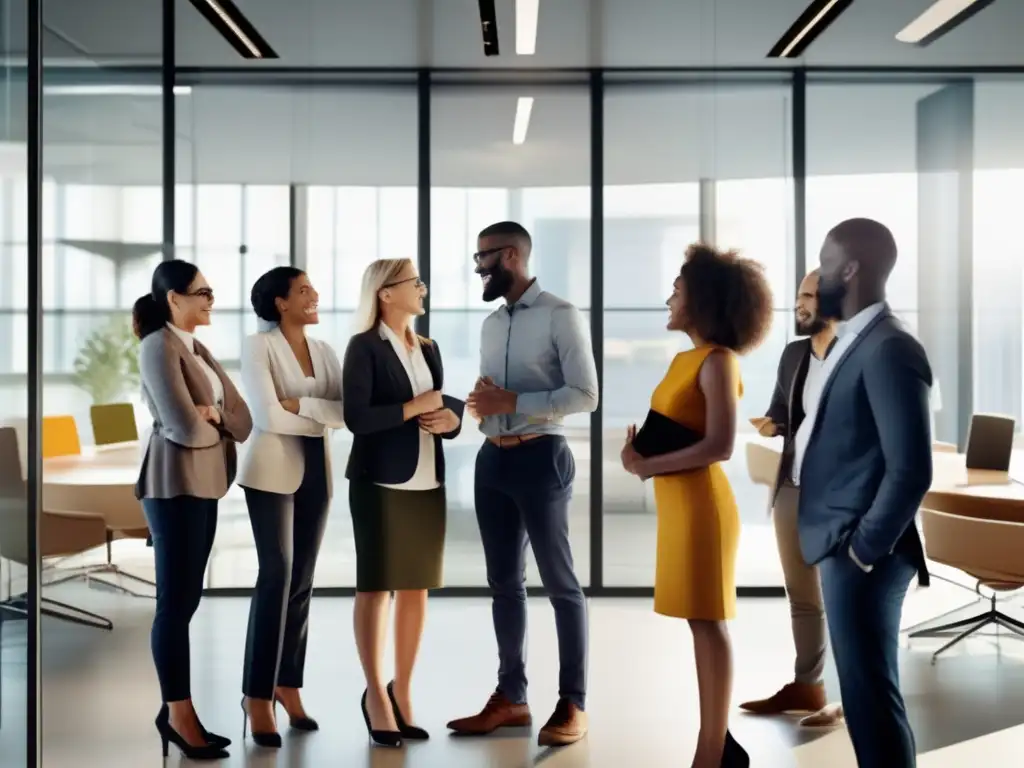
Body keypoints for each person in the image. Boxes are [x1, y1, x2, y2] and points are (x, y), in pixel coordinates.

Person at [620, 243, 773, 768]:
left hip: (703, 508)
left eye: (677, 291)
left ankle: (713, 750)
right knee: (699, 622)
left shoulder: (718, 361)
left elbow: (720, 446)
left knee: (709, 621)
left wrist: (646, 466)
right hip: (680, 506)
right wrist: (637, 454)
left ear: (701, 301)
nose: (669, 299)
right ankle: (719, 746)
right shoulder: (686, 359)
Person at [447, 221, 598, 748]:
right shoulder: (491, 324)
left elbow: (584, 394)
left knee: (561, 585)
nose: (477, 268)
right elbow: (495, 395)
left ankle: (573, 702)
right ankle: (511, 697)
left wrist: (512, 403)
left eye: (482, 257)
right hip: (494, 462)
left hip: (543, 459)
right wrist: (485, 402)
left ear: (510, 256)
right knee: (504, 584)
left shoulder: (561, 314)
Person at [799, 218, 932, 768]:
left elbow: (911, 470)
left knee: (872, 701)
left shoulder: (889, 348)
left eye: (826, 262)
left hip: (864, 555)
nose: (820, 272)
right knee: (861, 698)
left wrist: (861, 551)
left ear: (849, 269)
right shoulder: (858, 341)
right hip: (844, 545)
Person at [132, 259, 252, 762]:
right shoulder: (157, 345)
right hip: (173, 486)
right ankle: (179, 715)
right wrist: (210, 423)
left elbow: (243, 421)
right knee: (175, 606)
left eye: (211, 291)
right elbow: (183, 428)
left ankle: (177, 711)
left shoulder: (197, 350)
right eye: (200, 292)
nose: (210, 300)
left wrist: (217, 416)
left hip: (202, 484)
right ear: (172, 299)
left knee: (186, 601)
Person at [342, 258, 463, 749]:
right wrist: (419, 406)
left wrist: (451, 420)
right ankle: (375, 694)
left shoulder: (428, 347)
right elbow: (357, 417)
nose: (422, 287)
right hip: (378, 482)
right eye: (414, 282)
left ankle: (402, 690)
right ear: (385, 294)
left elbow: (442, 405)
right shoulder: (363, 346)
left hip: (427, 480)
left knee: (416, 589)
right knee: (376, 588)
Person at [237, 266, 344, 747]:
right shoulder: (256, 346)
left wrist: (303, 408)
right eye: (303, 290)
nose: (314, 295)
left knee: (302, 580)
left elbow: (344, 412)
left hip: (316, 471)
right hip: (270, 470)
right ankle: (256, 696)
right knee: (276, 574)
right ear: (280, 302)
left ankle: (288, 683)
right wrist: (317, 414)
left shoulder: (323, 350)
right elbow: (265, 415)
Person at [739, 269, 845, 727]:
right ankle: (808, 685)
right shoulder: (794, 354)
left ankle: (848, 697)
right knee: (802, 596)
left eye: (813, 296)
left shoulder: (859, 356)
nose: (802, 303)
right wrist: (771, 423)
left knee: (844, 597)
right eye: (801, 294)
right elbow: (784, 411)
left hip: (840, 496)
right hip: (793, 487)